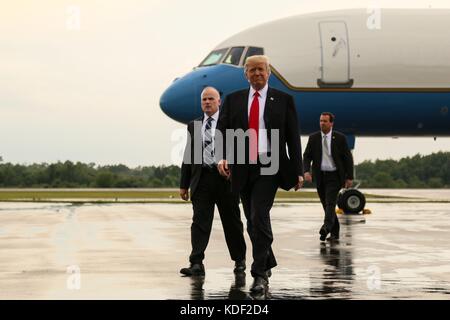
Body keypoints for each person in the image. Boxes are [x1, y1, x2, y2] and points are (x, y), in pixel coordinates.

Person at [217, 55, 303, 293]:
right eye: (252, 70)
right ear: (246, 74)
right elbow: (221, 131)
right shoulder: (233, 100)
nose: (257, 74)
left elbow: (292, 137)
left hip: (270, 163)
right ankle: (267, 261)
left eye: (261, 70)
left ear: (269, 73)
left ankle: (259, 274)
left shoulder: (284, 100)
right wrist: (222, 157)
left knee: (258, 214)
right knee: (251, 221)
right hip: (242, 164)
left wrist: (298, 170)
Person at [179, 87, 246, 276]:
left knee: (232, 223)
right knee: (199, 222)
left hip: (226, 181)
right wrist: (184, 184)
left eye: (211, 99)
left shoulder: (230, 123)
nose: (207, 102)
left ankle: (239, 261)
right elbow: (188, 155)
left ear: (219, 102)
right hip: (202, 180)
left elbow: (239, 150)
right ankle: (196, 263)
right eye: (204, 100)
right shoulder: (194, 125)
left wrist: (234, 171)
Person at [303, 112, 354, 242]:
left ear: (331, 123)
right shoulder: (313, 138)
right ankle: (335, 233)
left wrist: (349, 177)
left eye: (325, 121)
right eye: (321, 121)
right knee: (326, 205)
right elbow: (307, 155)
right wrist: (306, 171)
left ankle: (326, 227)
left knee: (330, 202)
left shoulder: (340, 138)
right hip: (320, 176)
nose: (322, 123)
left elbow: (348, 158)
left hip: (335, 176)